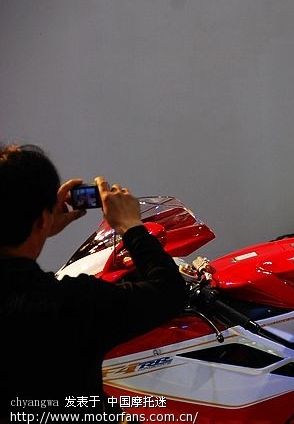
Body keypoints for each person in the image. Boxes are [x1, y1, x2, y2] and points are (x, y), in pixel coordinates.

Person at [0, 144, 188, 420]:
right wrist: (131, 226)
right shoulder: (71, 304)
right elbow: (169, 292)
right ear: (41, 219)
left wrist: (40, 227)